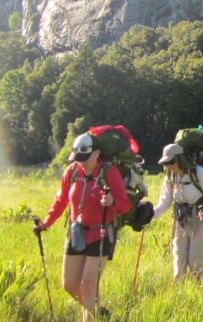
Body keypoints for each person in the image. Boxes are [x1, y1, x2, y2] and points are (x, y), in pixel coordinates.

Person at [32, 133, 131, 321]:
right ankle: (98, 311)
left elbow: (124, 205)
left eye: (85, 158)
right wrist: (46, 223)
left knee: (89, 282)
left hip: (101, 233)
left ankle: (91, 316)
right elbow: (61, 201)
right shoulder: (72, 172)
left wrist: (111, 202)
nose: (82, 163)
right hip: (76, 233)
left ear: (96, 154)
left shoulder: (109, 172)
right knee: (69, 284)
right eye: (78, 159)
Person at [149, 144, 203, 281]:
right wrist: (150, 214)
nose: (169, 165)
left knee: (195, 261)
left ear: (180, 159)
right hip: (179, 220)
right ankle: (179, 295)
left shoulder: (197, 172)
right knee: (178, 259)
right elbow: (165, 202)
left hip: (198, 220)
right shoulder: (170, 176)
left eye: (172, 161)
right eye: (166, 162)